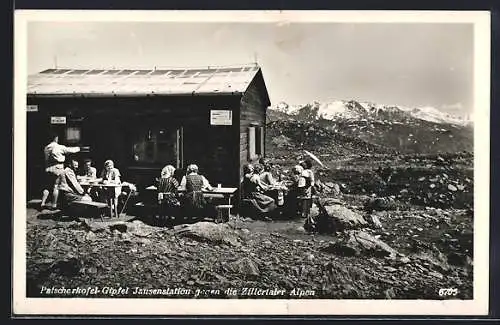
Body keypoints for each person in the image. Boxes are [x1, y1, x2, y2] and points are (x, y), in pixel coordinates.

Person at [40, 132, 82, 210]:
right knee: (56, 186)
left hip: (48, 168)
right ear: (56, 138)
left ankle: (42, 203)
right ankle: (54, 205)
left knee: (47, 186)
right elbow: (70, 150)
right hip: (57, 168)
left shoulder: (46, 148)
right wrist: (79, 148)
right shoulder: (59, 147)